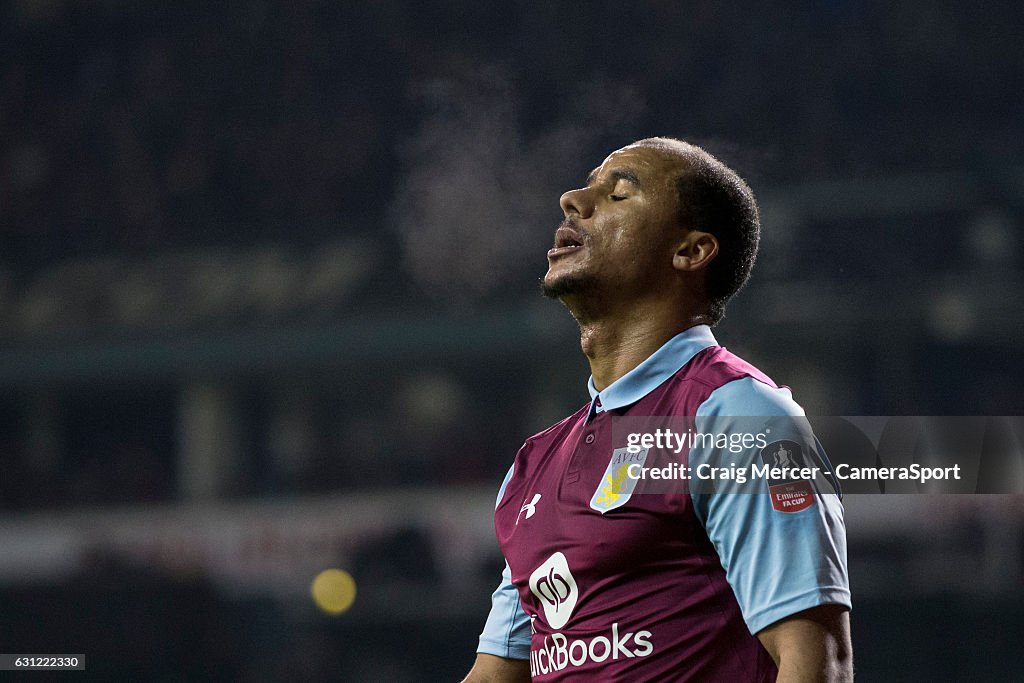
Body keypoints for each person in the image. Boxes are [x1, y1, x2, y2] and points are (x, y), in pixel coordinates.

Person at [461, 138, 852, 682]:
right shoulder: (533, 467)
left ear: (690, 252)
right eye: (585, 187)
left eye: (619, 194)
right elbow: (494, 676)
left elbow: (816, 662)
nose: (572, 200)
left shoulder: (739, 417)